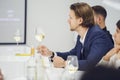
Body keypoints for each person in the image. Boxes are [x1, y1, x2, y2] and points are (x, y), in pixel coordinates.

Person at [37, 2, 113, 71]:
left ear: (80, 20)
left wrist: (64, 64)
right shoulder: (81, 35)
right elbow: (73, 54)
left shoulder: (98, 36)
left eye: (71, 18)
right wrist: (51, 54)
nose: (68, 20)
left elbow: (90, 64)